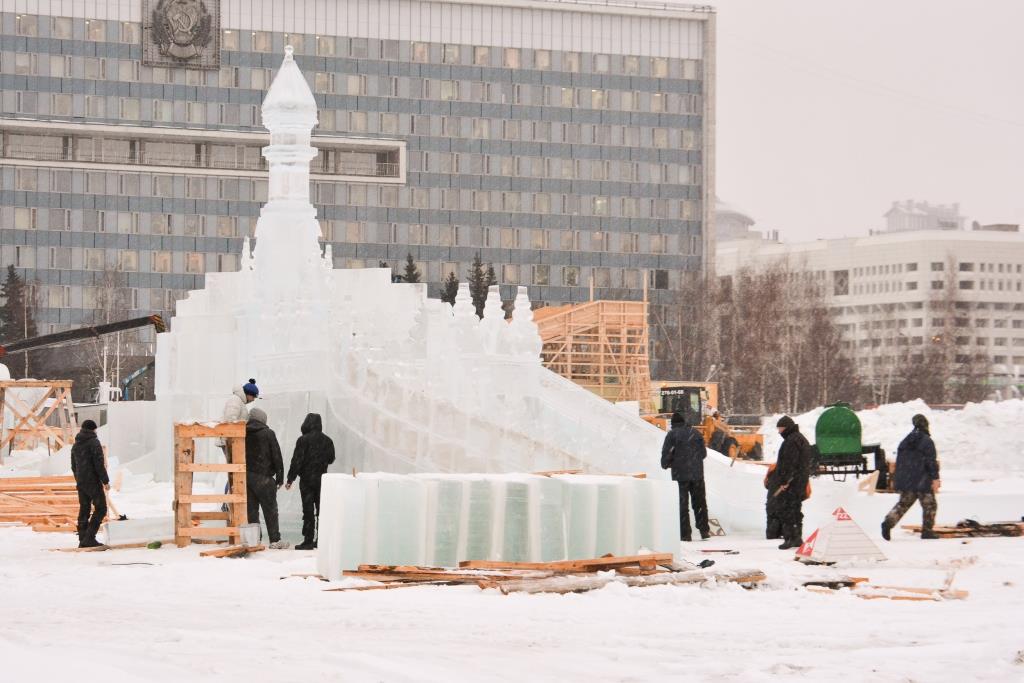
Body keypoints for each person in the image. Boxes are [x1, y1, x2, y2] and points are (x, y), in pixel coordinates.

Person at [881, 414, 940, 541]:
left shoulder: (905, 441)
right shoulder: (927, 441)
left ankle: (888, 523)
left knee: (903, 504)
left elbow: (900, 462)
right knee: (930, 505)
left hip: (907, 480)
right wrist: (935, 478)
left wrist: (900, 478)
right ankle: (927, 531)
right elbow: (931, 462)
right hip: (922, 479)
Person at [285, 413, 336, 550]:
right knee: (321, 510)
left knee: (308, 511)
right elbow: (331, 459)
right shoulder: (328, 440)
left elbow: (297, 461)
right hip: (322, 480)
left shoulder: (303, 440)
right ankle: (321, 540)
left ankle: (308, 540)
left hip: (307, 481)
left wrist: (290, 479)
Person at [660, 410, 710, 541]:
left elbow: (666, 455)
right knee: (700, 503)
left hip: (680, 476)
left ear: (673, 423)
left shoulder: (672, 435)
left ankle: (685, 534)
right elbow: (703, 454)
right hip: (697, 475)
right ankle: (704, 530)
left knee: (683, 506)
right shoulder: (696, 433)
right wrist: (693, 462)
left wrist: (667, 464)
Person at [245, 407, 289, 549]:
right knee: (270, 511)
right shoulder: (268, 433)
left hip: (247, 477)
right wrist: (280, 477)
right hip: (264, 478)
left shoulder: (243, 432)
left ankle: (254, 540)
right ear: (262, 419)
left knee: (252, 511)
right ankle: (274, 540)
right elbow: (276, 455)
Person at [771, 416, 812, 550]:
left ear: (786, 428)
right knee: (795, 510)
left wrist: (785, 481)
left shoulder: (791, 441)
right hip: (799, 481)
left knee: (787, 510)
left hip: (791, 483)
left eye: (780, 428)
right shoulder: (800, 439)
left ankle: (789, 538)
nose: (779, 431)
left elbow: (789, 463)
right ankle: (797, 538)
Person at [70, 419, 110, 548]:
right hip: (92, 481)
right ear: (93, 429)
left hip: (81, 482)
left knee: (84, 508)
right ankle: (89, 537)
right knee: (101, 508)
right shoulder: (94, 442)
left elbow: (73, 466)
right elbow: (99, 464)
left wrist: (79, 479)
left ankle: (83, 538)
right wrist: (105, 481)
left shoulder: (76, 445)